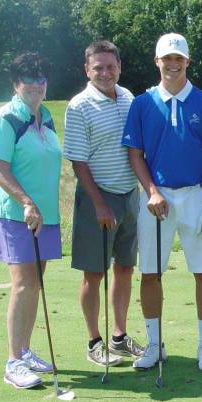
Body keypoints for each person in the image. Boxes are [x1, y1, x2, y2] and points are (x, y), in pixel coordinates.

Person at [122, 33, 202, 373]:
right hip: (156, 198)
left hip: (195, 195)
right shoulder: (142, 103)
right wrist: (152, 190)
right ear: (157, 61)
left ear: (187, 62)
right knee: (150, 273)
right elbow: (135, 154)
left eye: (178, 58)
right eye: (167, 58)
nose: (173, 63)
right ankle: (154, 343)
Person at [64, 40, 144, 367]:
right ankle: (95, 341)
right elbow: (79, 163)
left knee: (125, 268)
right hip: (98, 198)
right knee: (94, 274)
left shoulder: (128, 98)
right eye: (98, 67)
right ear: (87, 69)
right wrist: (99, 204)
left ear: (119, 67)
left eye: (110, 66)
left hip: (130, 195)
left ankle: (119, 337)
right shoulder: (79, 105)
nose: (105, 73)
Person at [0, 52, 62, 389]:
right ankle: (13, 361)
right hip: (17, 214)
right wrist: (26, 201)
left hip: (45, 216)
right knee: (23, 284)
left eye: (40, 78)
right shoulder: (7, 118)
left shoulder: (45, 118)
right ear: (16, 83)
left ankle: (25, 351)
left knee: (36, 284)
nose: (35, 84)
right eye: (28, 78)